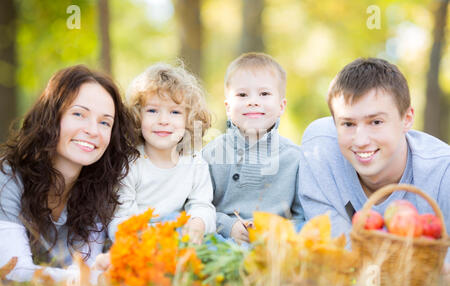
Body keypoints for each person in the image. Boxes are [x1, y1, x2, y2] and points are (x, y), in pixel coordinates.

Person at [298, 57, 450, 264]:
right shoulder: (319, 149)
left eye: (376, 122)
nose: (361, 141)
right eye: (348, 124)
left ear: (406, 119)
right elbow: (337, 250)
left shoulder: (443, 171)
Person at [0, 65, 139, 283]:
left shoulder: (102, 188)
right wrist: (99, 279)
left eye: (104, 122)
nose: (93, 130)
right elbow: (13, 270)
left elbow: (86, 271)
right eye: (79, 114)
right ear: (52, 116)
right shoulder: (7, 177)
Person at [107, 63, 216, 245]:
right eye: (152, 110)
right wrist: (140, 237)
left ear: (189, 119)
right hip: (140, 240)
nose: (163, 120)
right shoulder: (129, 164)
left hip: (181, 238)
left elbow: (202, 205)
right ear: (137, 115)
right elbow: (120, 218)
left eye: (175, 112)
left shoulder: (195, 163)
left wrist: (198, 222)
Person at [202, 52, 304, 244]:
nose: (253, 101)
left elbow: (302, 218)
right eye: (242, 94)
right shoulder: (212, 154)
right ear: (228, 107)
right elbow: (198, 206)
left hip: (277, 248)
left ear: (281, 106)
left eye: (264, 94)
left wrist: (277, 232)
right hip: (221, 242)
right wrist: (227, 226)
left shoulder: (294, 158)